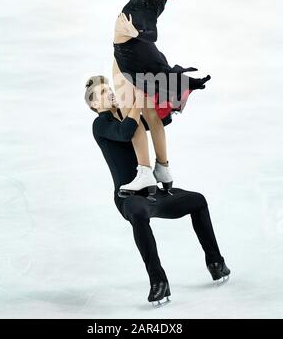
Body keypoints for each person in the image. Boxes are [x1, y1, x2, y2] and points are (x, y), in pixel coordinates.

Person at [85, 75, 231, 306]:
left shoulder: (127, 114)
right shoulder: (101, 125)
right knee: (139, 214)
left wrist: (175, 96)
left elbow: (158, 123)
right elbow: (125, 132)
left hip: (153, 193)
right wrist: (137, 101)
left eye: (109, 89)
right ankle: (158, 282)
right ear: (94, 105)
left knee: (198, 201)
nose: (110, 93)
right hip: (129, 197)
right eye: (102, 93)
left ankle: (215, 262)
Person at [113, 0, 211, 197]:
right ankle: (163, 169)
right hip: (130, 54)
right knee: (150, 113)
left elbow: (151, 33)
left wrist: (137, 32)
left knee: (130, 113)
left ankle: (144, 172)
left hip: (131, 60)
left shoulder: (147, 8)